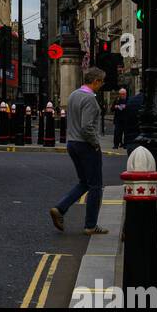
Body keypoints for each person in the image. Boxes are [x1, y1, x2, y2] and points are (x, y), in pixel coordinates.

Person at [50, 67, 108, 236]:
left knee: (84, 182)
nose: (102, 85)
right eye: (101, 82)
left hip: (72, 143)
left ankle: (60, 208)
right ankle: (90, 225)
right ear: (95, 81)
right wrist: (95, 143)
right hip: (86, 145)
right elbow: (86, 126)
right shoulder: (89, 98)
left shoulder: (74, 94)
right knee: (95, 186)